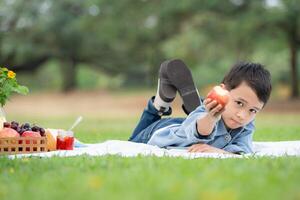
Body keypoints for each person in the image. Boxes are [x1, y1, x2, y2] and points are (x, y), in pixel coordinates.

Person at [128, 59, 272, 154]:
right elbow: (202, 130)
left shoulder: (246, 124)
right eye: (239, 103)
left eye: (252, 110)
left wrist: (219, 152)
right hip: (160, 131)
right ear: (222, 91)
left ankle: (161, 104)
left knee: (197, 116)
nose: (242, 115)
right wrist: (210, 117)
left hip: (184, 124)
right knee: (131, 142)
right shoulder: (209, 111)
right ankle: (158, 106)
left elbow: (243, 151)